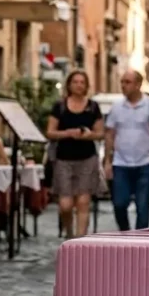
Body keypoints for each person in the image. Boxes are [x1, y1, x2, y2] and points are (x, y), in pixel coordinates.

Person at [46, 70, 104, 239]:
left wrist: (89, 135)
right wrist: (68, 133)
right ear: (69, 85)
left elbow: (100, 133)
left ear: (86, 86)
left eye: (82, 82)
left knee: (83, 202)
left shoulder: (93, 107)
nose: (79, 85)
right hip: (64, 159)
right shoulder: (60, 106)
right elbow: (50, 132)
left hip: (87, 158)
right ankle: (69, 233)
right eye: (75, 82)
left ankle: (80, 242)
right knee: (65, 204)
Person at [104, 70, 149, 231]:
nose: (123, 85)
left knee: (143, 207)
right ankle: (125, 233)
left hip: (145, 162)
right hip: (121, 162)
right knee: (119, 203)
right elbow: (110, 134)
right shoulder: (116, 107)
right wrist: (107, 161)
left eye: (127, 82)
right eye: (122, 82)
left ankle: (141, 241)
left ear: (138, 85)